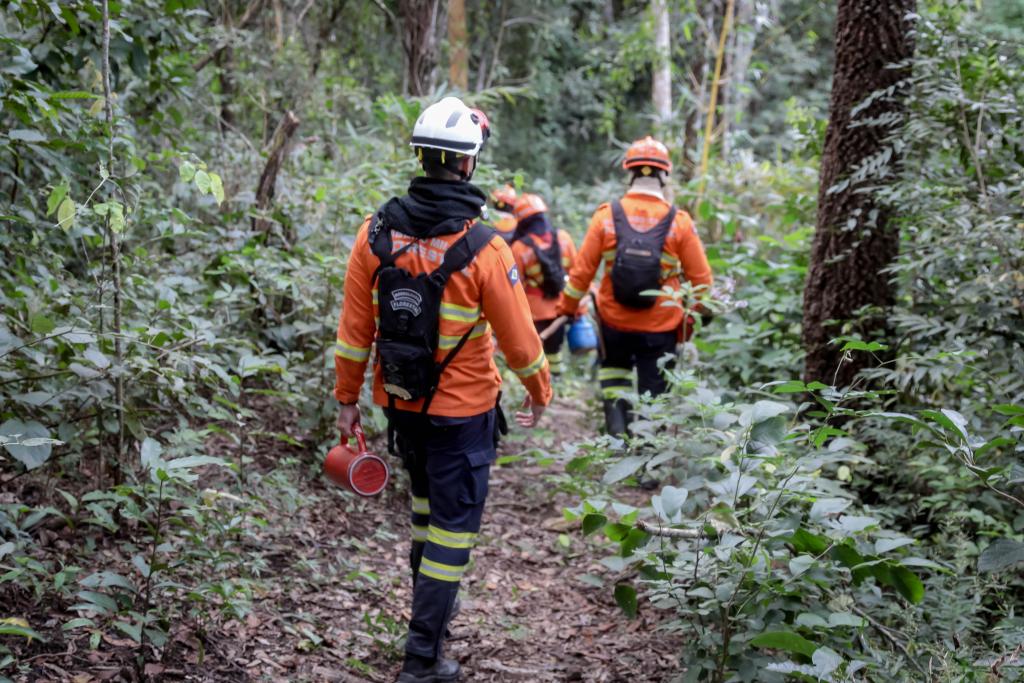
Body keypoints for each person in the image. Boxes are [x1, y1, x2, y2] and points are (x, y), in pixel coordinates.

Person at [333, 96, 552, 683]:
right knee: (453, 534)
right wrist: (540, 393)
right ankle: (422, 657)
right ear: (467, 163)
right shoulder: (484, 248)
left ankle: (431, 623)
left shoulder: (374, 234)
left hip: (401, 405)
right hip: (464, 414)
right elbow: (521, 343)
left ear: (422, 158)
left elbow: (354, 332)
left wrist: (347, 399)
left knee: (426, 517)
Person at [555, 135, 712, 436]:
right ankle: (648, 454)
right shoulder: (679, 222)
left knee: (615, 378)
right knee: (654, 391)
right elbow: (702, 283)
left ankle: (618, 438)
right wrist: (690, 324)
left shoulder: (605, 217)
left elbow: (581, 274)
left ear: (629, 172)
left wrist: (566, 309)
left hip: (613, 323)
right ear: (664, 175)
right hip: (662, 326)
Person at [509, 193, 578, 377]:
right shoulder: (564, 237)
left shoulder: (520, 247)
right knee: (555, 350)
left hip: (534, 310)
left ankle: (538, 383)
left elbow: (515, 285)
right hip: (561, 307)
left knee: (535, 352)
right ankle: (556, 380)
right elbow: (576, 273)